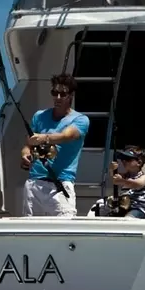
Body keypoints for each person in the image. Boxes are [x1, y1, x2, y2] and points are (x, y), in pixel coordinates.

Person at [20, 73, 89, 218]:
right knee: (31, 231)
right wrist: (25, 154)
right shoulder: (39, 116)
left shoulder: (81, 120)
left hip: (60, 184)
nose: (57, 98)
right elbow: (28, 144)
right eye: (54, 93)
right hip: (34, 183)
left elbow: (66, 136)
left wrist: (43, 138)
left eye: (62, 94)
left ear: (71, 95)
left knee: (65, 230)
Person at [110, 146, 145, 218]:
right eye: (123, 159)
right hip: (123, 207)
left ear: (139, 162)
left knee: (127, 220)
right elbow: (114, 178)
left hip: (138, 209)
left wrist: (122, 181)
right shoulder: (124, 176)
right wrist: (112, 169)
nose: (124, 161)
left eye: (128, 159)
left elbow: (137, 184)